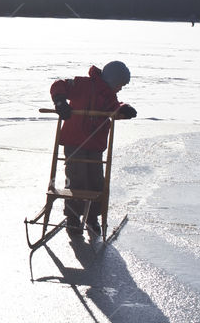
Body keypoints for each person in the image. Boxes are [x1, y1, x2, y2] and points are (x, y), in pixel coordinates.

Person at [49, 61, 137, 236]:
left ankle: (92, 218)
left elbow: (114, 109)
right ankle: (73, 219)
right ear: (113, 80)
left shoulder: (109, 97)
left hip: (95, 147)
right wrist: (60, 102)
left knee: (96, 183)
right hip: (74, 143)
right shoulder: (82, 84)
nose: (120, 89)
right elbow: (59, 86)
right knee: (76, 180)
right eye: (120, 84)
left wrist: (123, 109)